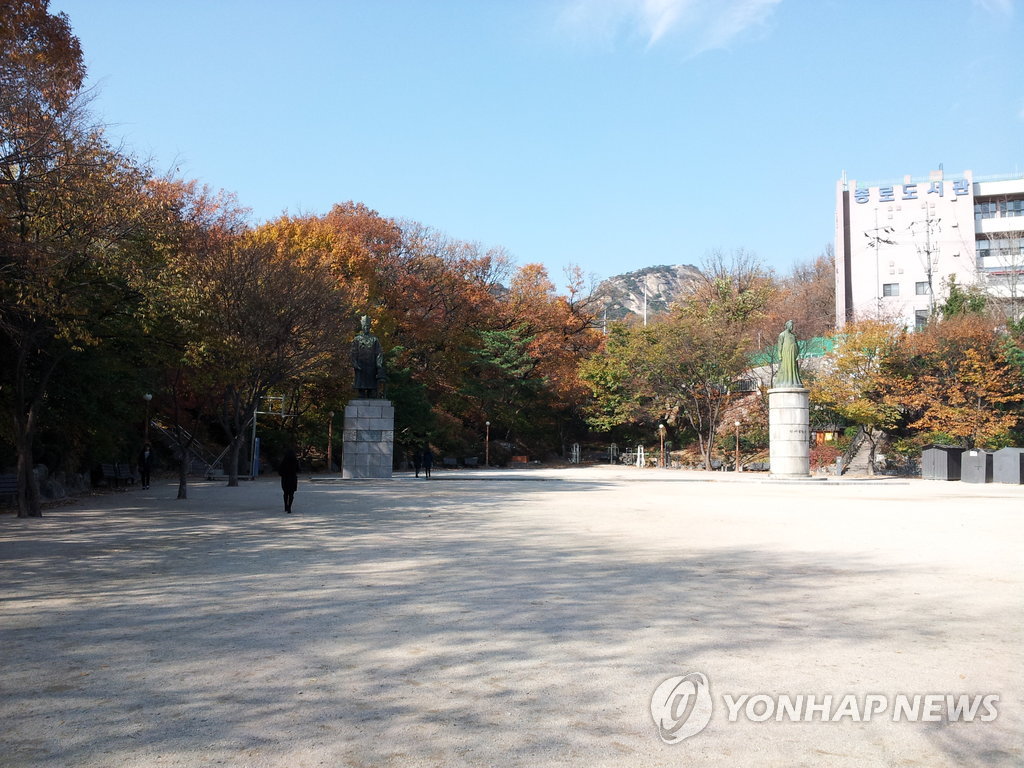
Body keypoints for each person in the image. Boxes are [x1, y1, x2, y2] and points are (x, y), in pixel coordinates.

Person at [351, 315, 386, 398]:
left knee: (372, 388)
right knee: (361, 388)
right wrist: (354, 363)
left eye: (367, 326)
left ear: (369, 327)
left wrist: (379, 365)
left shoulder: (374, 339)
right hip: (361, 365)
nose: (366, 328)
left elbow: (379, 352)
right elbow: (353, 352)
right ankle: (361, 394)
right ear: (362, 327)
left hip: (372, 366)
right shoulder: (357, 339)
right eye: (364, 326)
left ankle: (372, 394)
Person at [774, 319, 803, 388]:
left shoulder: (793, 336)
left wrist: (797, 354)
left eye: (792, 326)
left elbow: (797, 345)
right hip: (786, 354)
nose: (792, 327)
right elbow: (780, 345)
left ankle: (793, 381)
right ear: (787, 326)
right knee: (785, 367)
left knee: (793, 367)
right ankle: (785, 381)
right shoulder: (782, 335)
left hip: (793, 355)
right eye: (790, 326)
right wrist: (780, 355)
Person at [279, 447, 300, 513]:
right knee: (291, 494)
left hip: (285, 478)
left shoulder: (284, 461)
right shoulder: (295, 461)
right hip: (292, 478)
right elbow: (298, 470)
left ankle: (285, 506)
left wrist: (283, 474)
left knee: (285, 493)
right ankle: (289, 507)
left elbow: (280, 471)